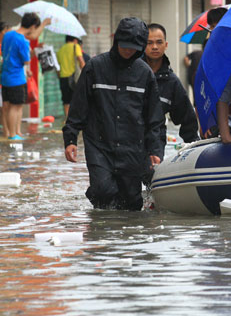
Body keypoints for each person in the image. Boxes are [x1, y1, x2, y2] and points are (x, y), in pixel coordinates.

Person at [63, 17, 164, 211]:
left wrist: (155, 150)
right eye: (124, 45)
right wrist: (70, 139)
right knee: (103, 191)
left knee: (132, 203)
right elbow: (78, 107)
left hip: (132, 147)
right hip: (100, 144)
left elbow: (154, 117)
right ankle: (102, 232)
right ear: (116, 41)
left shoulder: (145, 74)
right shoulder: (94, 67)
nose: (127, 50)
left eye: (133, 47)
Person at [143, 23, 199, 148]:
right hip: (126, 145)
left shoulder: (171, 82)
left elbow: (187, 118)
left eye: (159, 42)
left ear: (166, 45)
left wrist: (193, 147)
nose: (155, 47)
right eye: (149, 43)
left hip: (154, 147)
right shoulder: (132, 74)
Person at [1, 13, 50, 140]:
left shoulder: (8, 34)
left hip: (6, 76)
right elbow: (26, 61)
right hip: (16, 77)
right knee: (15, 106)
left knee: (10, 106)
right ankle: (13, 135)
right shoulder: (22, 40)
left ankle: (15, 133)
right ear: (33, 26)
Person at [56, 35, 86, 116]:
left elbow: (57, 67)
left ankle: (68, 119)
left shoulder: (60, 50)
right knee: (77, 99)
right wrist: (86, 74)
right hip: (74, 78)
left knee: (66, 101)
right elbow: (81, 61)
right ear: (75, 40)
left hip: (63, 78)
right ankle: (77, 118)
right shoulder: (75, 46)